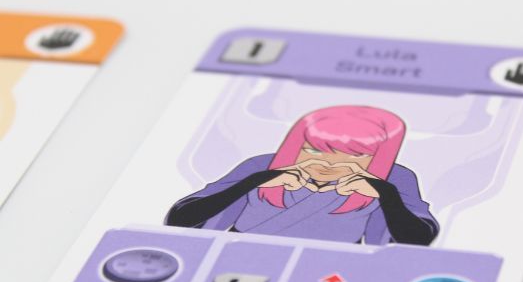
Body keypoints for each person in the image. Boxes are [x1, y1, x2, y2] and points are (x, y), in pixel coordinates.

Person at [165, 105, 438, 246]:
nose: (330, 162)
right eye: (314, 149)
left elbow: (417, 239)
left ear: (379, 157)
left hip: (333, 267)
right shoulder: (262, 165)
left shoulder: (393, 178)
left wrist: (387, 196)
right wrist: (253, 182)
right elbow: (181, 219)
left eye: (355, 155)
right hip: (240, 253)